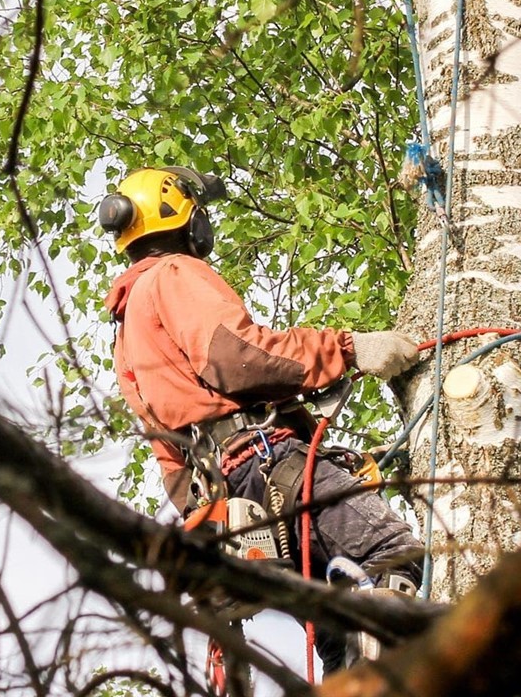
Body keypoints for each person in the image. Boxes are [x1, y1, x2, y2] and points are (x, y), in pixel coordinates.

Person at [101, 165, 424, 673]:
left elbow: (171, 460)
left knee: (338, 626)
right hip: (265, 465)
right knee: (388, 553)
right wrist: (349, 349)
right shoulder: (174, 275)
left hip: (233, 496)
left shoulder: (126, 333)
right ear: (180, 217)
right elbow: (238, 357)